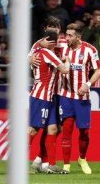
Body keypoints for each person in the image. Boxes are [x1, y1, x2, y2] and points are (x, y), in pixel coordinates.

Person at [59, 23, 100, 174]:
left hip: (82, 96)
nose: (66, 38)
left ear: (78, 37)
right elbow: (41, 47)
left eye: (70, 35)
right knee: (67, 130)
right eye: (66, 34)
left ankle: (82, 158)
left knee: (84, 131)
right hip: (66, 95)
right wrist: (31, 57)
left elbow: (98, 71)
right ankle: (66, 165)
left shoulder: (90, 50)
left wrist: (87, 84)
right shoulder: (62, 47)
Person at [29, 30, 70, 174]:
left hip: (50, 97)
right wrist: (68, 60)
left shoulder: (39, 51)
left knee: (53, 129)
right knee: (32, 130)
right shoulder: (46, 53)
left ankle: (51, 164)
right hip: (40, 97)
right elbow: (64, 70)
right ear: (53, 42)